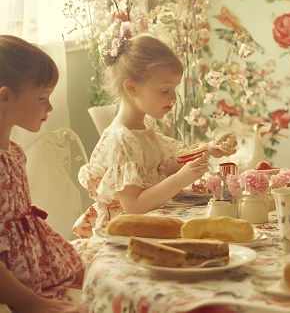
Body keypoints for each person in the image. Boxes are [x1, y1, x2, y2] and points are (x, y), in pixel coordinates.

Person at [72, 33, 234, 265]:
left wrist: (206, 151)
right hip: (126, 235)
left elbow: (161, 168)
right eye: (165, 90)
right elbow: (133, 206)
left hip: (151, 222)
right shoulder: (121, 139)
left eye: (174, 89)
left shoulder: (144, 127)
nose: (173, 98)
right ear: (131, 87)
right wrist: (181, 178)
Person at [0, 35, 83, 313]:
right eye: (42, 98)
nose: (49, 107)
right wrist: (33, 304)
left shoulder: (14, 152)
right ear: (5, 97)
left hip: (34, 274)